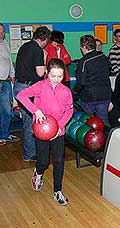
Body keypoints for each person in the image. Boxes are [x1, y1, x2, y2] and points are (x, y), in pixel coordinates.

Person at [16, 58, 73, 205]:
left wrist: (59, 126)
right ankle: (38, 173)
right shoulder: (40, 86)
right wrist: (36, 110)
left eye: (60, 76)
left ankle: (57, 191)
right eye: (53, 76)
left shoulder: (66, 91)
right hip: (41, 130)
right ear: (47, 73)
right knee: (43, 161)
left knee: (59, 161)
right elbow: (20, 95)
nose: (56, 79)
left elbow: (69, 110)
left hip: (58, 132)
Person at [14, 25, 51, 161]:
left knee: (28, 121)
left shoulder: (25, 45)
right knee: (30, 122)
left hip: (19, 86)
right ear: (45, 39)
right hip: (27, 89)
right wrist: (45, 58)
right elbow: (41, 73)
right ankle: (29, 154)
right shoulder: (37, 50)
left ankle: (29, 151)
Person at [73, 35, 112, 127]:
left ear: (83, 47)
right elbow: (109, 69)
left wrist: (73, 93)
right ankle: (109, 139)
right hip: (105, 94)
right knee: (103, 121)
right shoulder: (103, 56)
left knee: (88, 122)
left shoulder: (83, 61)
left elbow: (81, 82)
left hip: (89, 96)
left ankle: (93, 140)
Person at [0, 23, 19, 146]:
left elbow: (9, 62)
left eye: (2, 31)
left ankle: (4, 134)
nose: (1, 34)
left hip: (6, 82)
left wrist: (12, 74)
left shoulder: (5, 43)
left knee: (6, 111)